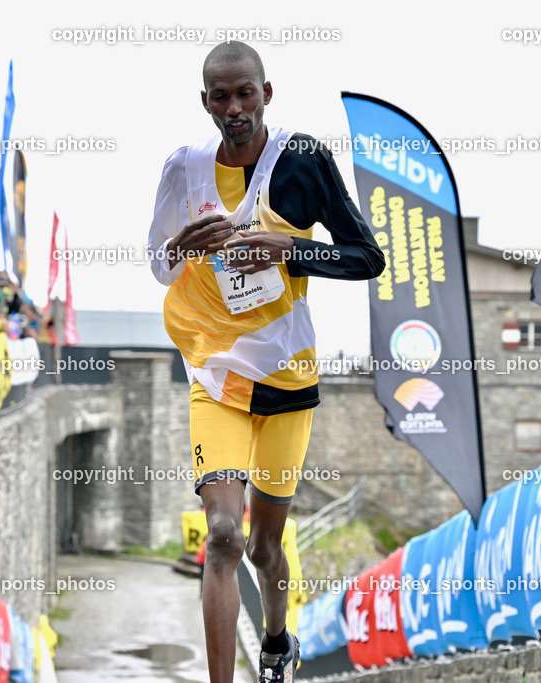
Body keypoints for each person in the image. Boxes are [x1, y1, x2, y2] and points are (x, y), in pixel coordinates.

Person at [147, 42, 384, 683]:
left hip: (286, 382)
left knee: (262, 546)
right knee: (223, 533)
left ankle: (277, 639)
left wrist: (290, 250)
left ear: (266, 93)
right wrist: (179, 246)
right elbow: (158, 264)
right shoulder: (184, 169)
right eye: (220, 97)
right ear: (205, 103)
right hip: (216, 375)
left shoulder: (302, 160)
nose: (234, 109)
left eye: (244, 94)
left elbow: (368, 258)